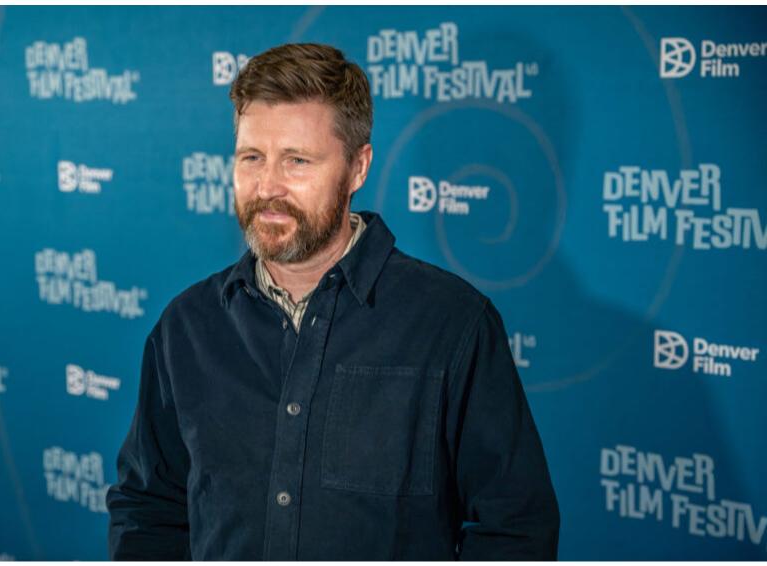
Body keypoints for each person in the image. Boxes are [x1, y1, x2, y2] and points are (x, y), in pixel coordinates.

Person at [107, 43, 559, 561]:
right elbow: (148, 511)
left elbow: (515, 528)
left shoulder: (453, 324)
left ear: (358, 168)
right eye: (252, 157)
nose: (268, 186)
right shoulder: (185, 327)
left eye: (297, 161)